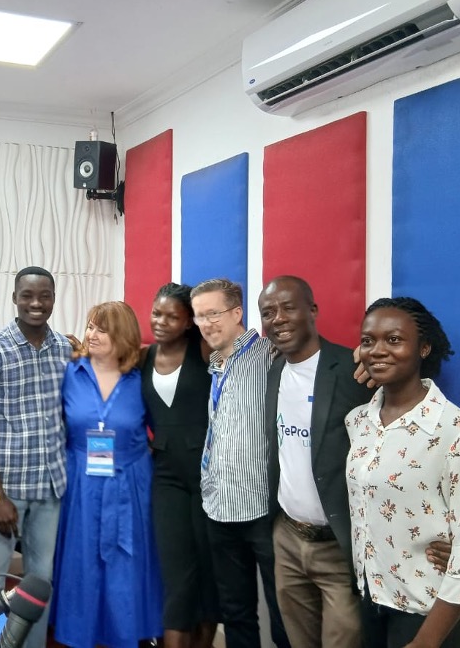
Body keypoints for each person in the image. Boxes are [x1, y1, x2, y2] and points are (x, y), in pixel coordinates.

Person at [346, 297, 460, 648]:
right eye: (368, 340)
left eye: (395, 339)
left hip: (427, 612)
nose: (378, 350)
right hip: (372, 596)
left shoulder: (455, 430)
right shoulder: (359, 421)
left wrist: (425, 643)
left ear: (424, 348)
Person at [259, 276, 373, 648]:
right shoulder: (274, 371)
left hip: (338, 547)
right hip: (288, 540)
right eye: (269, 312)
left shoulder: (353, 370)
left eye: (288, 307)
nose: (278, 318)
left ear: (313, 310)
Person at [0, 266, 73, 648]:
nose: (36, 303)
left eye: (44, 296)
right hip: (7, 489)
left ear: (53, 299)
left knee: (39, 583)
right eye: (27, 295)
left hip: (50, 490)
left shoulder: (64, 348)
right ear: (15, 299)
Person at [51, 301, 164, 648]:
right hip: (80, 481)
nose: (91, 334)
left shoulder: (142, 378)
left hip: (130, 483)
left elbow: (161, 428)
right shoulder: (70, 372)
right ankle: (79, 635)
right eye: (90, 326)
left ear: (123, 335)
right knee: (81, 562)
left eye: (102, 329)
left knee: (126, 566)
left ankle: (127, 635)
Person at [189, 278, 290, 648]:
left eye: (213, 314)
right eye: (199, 317)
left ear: (237, 313)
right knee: (235, 612)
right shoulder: (215, 362)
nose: (206, 324)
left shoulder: (268, 353)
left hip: (262, 509)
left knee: (283, 614)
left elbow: (311, 355)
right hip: (218, 507)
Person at [141, 283, 219, 648]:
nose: (161, 321)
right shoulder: (144, 357)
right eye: (157, 313)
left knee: (208, 573)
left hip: (210, 475)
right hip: (166, 476)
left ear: (189, 322)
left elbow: (247, 354)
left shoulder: (203, 350)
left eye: (173, 316)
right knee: (176, 572)